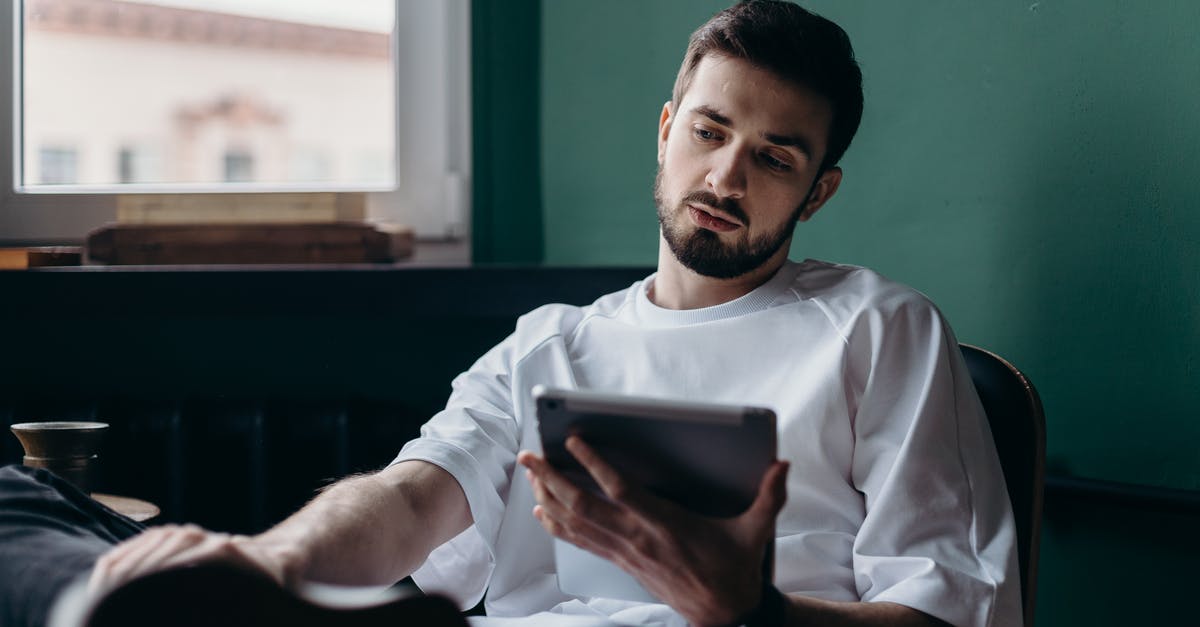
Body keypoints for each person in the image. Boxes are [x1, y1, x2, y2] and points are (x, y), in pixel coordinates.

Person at [2, 2, 1021, 626]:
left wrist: (750, 614)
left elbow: (945, 616)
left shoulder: (877, 330)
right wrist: (273, 565)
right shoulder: (552, 344)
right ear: (667, 131)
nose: (726, 173)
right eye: (710, 130)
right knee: (18, 501)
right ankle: (111, 595)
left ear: (819, 191)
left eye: (775, 157)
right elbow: (409, 501)